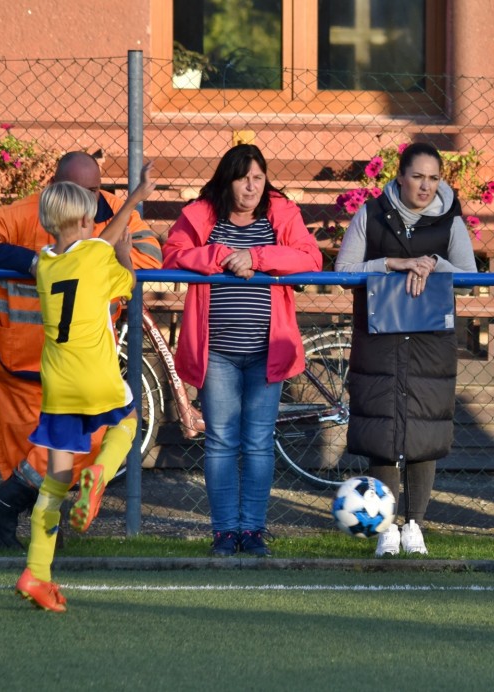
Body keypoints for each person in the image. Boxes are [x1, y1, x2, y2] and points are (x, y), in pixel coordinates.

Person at [0, 151, 162, 551]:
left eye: (93, 190)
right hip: (22, 363)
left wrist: (76, 257)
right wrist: (31, 261)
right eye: (77, 190)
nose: (87, 199)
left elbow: (150, 256)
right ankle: (26, 535)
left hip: (73, 365)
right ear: (55, 188)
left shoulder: (109, 212)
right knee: (26, 457)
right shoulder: (23, 214)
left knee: (65, 455)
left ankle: (7, 511)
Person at [162, 144, 322, 557]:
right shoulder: (201, 214)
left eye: (258, 178)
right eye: (242, 178)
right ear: (226, 180)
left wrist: (255, 256)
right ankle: (224, 532)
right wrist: (221, 257)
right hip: (216, 351)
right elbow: (172, 255)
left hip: (267, 350)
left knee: (258, 442)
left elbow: (310, 258)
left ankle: (252, 530)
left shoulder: (280, 213)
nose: (251, 187)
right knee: (220, 441)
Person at [335, 142, 478, 557]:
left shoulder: (451, 221)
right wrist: (390, 264)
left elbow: (469, 278)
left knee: (423, 430)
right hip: (379, 338)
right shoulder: (371, 213)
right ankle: (385, 527)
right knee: (383, 433)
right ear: (399, 177)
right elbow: (343, 272)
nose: (425, 186)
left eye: (433, 178)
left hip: (430, 341)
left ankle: (414, 524)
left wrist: (434, 263)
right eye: (417, 176)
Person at [16, 177, 153, 611]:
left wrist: (124, 211)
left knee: (55, 481)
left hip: (58, 386)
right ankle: (100, 474)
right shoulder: (98, 255)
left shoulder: (43, 264)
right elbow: (127, 281)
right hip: (95, 375)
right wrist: (126, 249)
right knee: (128, 420)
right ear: (81, 222)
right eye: (91, 219)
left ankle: (36, 572)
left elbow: (91, 244)